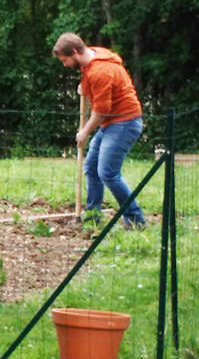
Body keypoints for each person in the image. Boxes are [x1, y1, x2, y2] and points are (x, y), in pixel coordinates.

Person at [52, 32, 146, 229]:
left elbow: (101, 111)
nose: (65, 65)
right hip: (112, 122)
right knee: (91, 168)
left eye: (65, 60)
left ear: (75, 53)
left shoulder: (100, 72)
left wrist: (85, 132)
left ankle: (135, 219)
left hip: (124, 122)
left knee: (108, 173)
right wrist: (84, 87)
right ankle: (92, 217)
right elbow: (95, 88)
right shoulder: (94, 56)